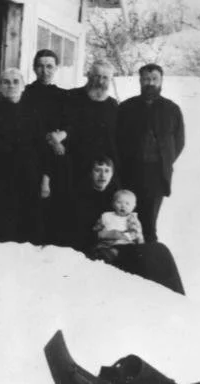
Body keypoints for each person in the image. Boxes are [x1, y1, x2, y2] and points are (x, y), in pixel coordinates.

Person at [72, 155, 185, 295]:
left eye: (107, 170)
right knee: (142, 258)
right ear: (90, 172)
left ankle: (177, 297)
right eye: (97, 170)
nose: (102, 175)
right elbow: (82, 234)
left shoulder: (117, 197)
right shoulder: (82, 198)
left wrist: (139, 235)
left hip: (125, 244)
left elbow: (129, 224)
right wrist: (107, 235)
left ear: (112, 173)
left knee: (160, 250)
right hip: (103, 248)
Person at [115, 63, 185, 243]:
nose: (150, 83)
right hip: (130, 173)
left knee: (149, 222)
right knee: (126, 218)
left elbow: (178, 142)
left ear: (161, 82)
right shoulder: (126, 108)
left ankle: (149, 261)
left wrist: (164, 161)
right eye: (146, 79)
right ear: (140, 81)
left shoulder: (172, 110)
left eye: (154, 79)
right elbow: (116, 139)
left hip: (156, 175)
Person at [0, 68, 44, 245]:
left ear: (22, 86)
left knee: (27, 232)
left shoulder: (35, 114)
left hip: (29, 179)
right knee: (1, 232)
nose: (11, 85)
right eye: (6, 82)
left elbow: (43, 150)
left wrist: (45, 179)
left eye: (15, 81)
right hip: (0, 181)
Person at [20, 49, 71, 246]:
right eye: (40, 66)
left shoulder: (63, 95)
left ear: (56, 68)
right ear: (34, 68)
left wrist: (61, 136)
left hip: (57, 159)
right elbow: (29, 127)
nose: (44, 70)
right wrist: (51, 139)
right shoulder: (27, 94)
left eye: (49, 66)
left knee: (56, 210)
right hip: (34, 157)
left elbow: (69, 124)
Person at [63, 60, 119, 194]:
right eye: (97, 76)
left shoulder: (113, 105)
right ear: (89, 75)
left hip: (101, 170)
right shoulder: (71, 97)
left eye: (105, 77)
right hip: (73, 164)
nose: (100, 81)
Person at [93, 189, 144, 259]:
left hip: (124, 243)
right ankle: (102, 255)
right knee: (99, 247)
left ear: (133, 206)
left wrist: (119, 235)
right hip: (107, 242)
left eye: (127, 203)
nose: (123, 206)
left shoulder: (131, 219)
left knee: (128, 249)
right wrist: (100, 232)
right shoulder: (106, 215)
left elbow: (135, 233)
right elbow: (97, 228)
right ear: (113, 204)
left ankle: (112, 255)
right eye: (119, 202)